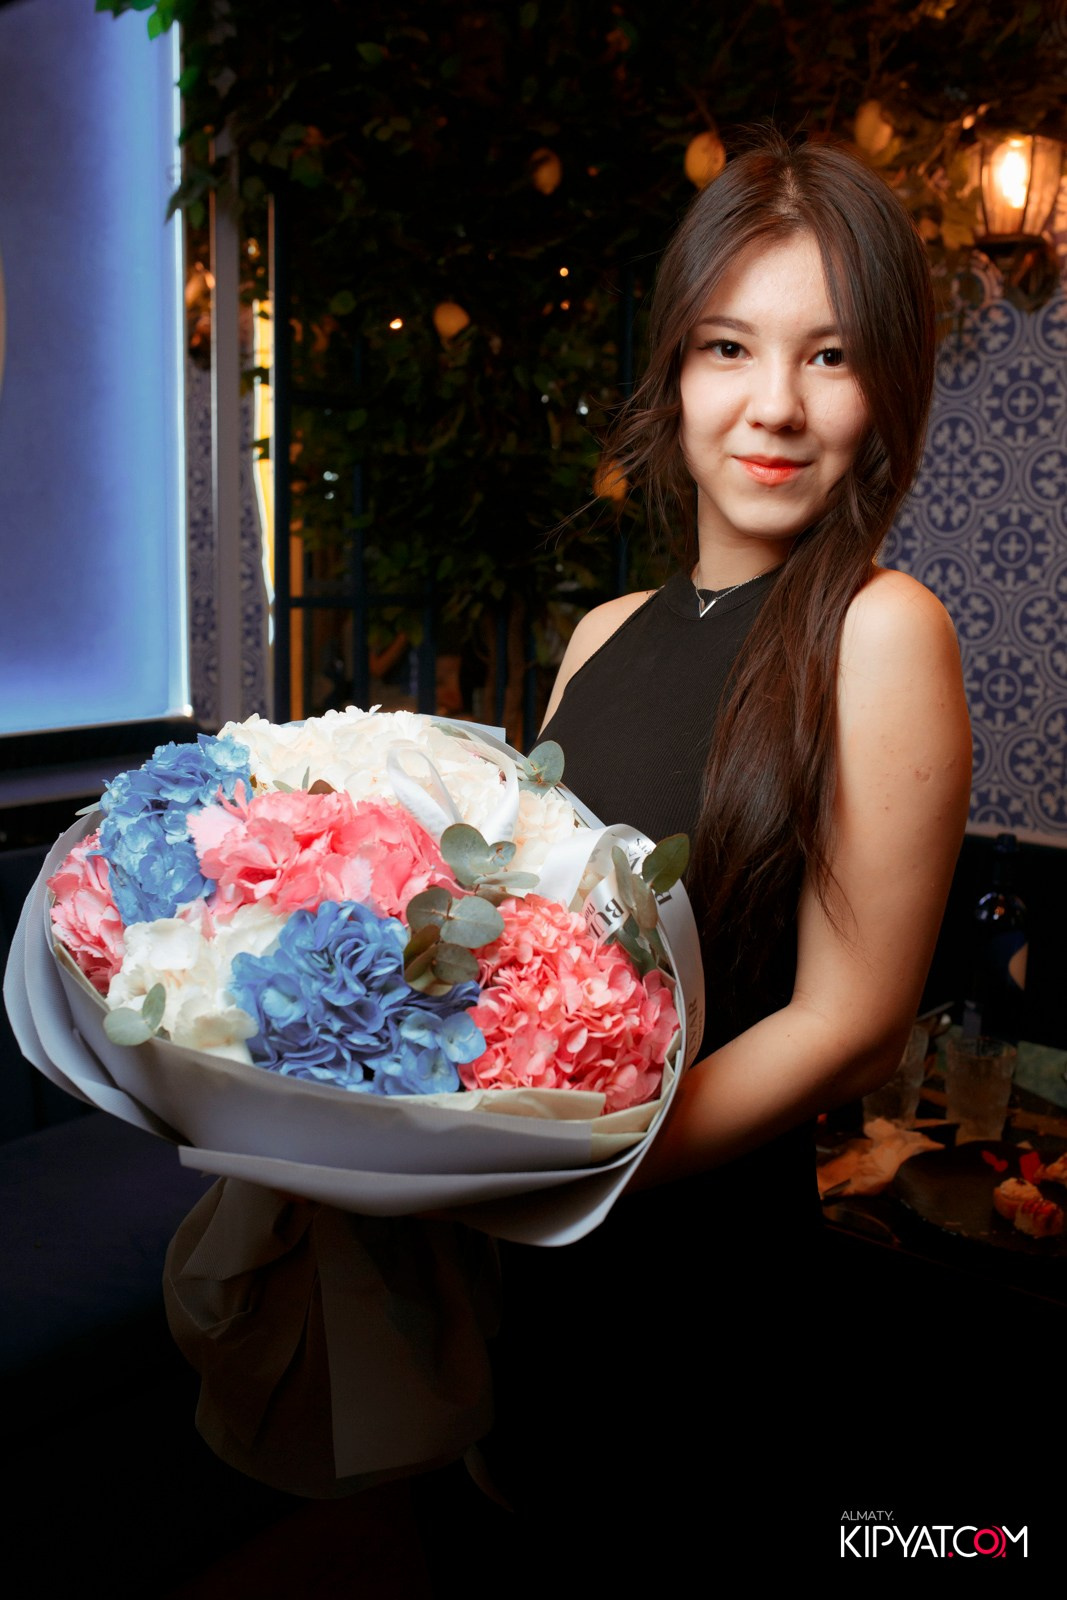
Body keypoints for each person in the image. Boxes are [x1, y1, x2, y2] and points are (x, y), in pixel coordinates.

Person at [476, 131, 972, 1566]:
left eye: (831, 355)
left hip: (703, 1298)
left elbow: (852, 1020)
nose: (775, 406)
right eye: (728, 347)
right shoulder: (602, 635)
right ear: (674, 372)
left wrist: (565, 1174)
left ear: (886, 387)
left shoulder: (883, 628)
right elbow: (533, 945)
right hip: (519, 1278)